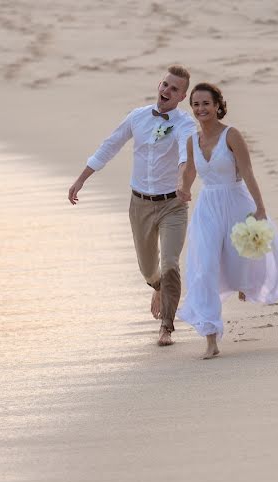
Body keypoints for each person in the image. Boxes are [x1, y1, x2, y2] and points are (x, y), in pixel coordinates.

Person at [68, 65, 197, 346]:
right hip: (139, 204)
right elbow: (110, 145)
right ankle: (158, 287)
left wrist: (182, 182)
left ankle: (167, 327)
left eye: (175, 89)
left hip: (172, 204)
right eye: (165, 84)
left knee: (171, 264)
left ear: (183, 96)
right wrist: (81, 180)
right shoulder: (137, 117)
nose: (167, 91)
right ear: (159, 85)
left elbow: (186, 156)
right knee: (149, 270)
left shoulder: (185, 124)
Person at [175, 82, 278, 359]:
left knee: (240, 257)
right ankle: (210, 337)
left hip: (236, 201)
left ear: (218, 106)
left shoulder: (232, 135)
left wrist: (261, 208)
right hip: (207, 206)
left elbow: (248, 172)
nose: (200, 109)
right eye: (195, 104)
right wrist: (183, 187)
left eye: (206, 103)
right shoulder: (192, 140)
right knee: (204, 266)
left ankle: (244, 283)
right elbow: (192, 172)